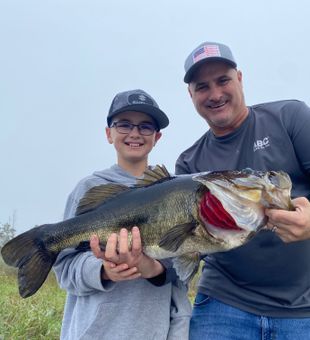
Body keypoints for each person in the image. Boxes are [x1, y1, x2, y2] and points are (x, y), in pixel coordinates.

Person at [176, 41, 310, 339]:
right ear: (191, 95)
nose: (215, 94)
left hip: (303, 308)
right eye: (202, 87)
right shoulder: (189, 163)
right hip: (222, 304)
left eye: (223, 80)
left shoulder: (291, 118)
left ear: (240, 78)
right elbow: (186, 243)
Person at [54, 89, 192, 340]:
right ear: (109, 133)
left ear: (157, 137)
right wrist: (103, 270)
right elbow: (64, 269)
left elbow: (180, 275)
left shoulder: (175, 192)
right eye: (124, 124)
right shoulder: (88, 189)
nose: (135, 133)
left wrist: (153, 268)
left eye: (145, 126)